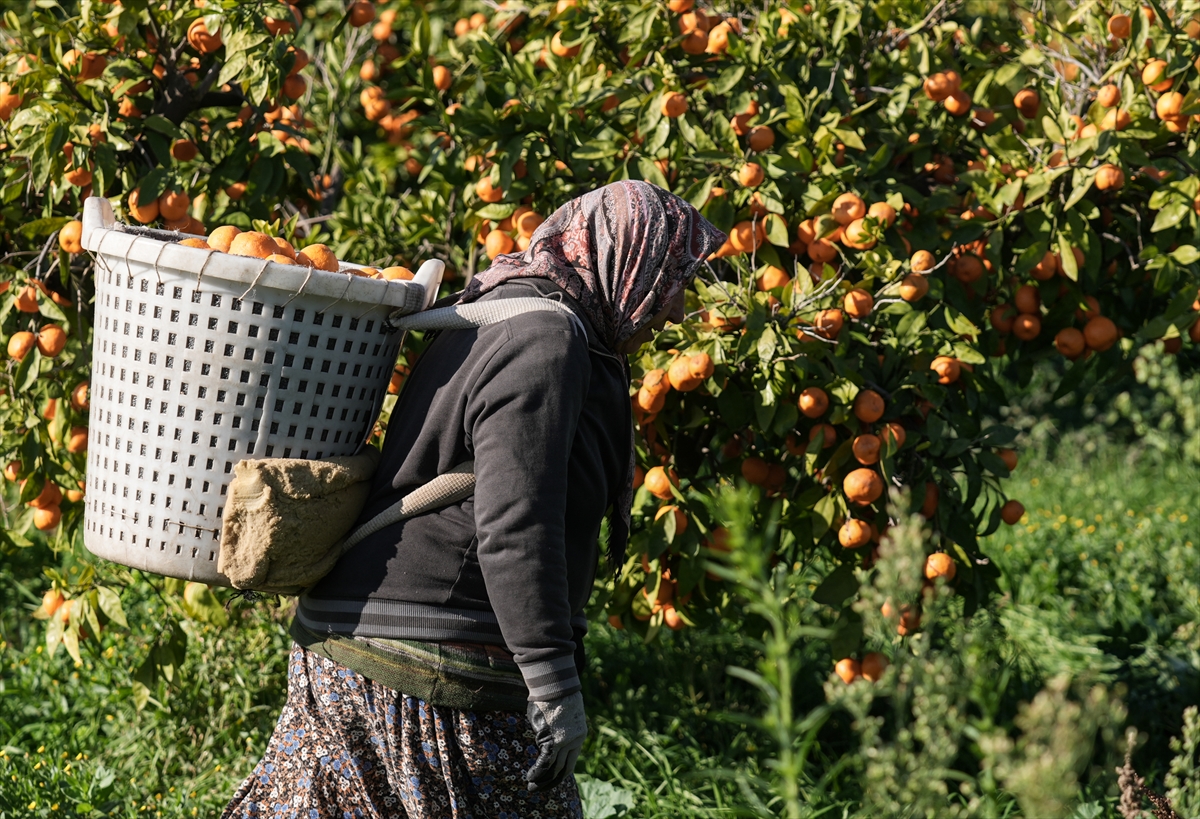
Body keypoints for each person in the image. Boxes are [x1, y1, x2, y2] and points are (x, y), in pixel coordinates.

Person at [222, 180, 725, 819]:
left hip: (352, 639)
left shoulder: (499, 306)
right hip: (428, 666)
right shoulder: (546, 341)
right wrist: (553, 680)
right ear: (625, 259)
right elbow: (517, 522)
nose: (675, 310)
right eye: (672, 281)